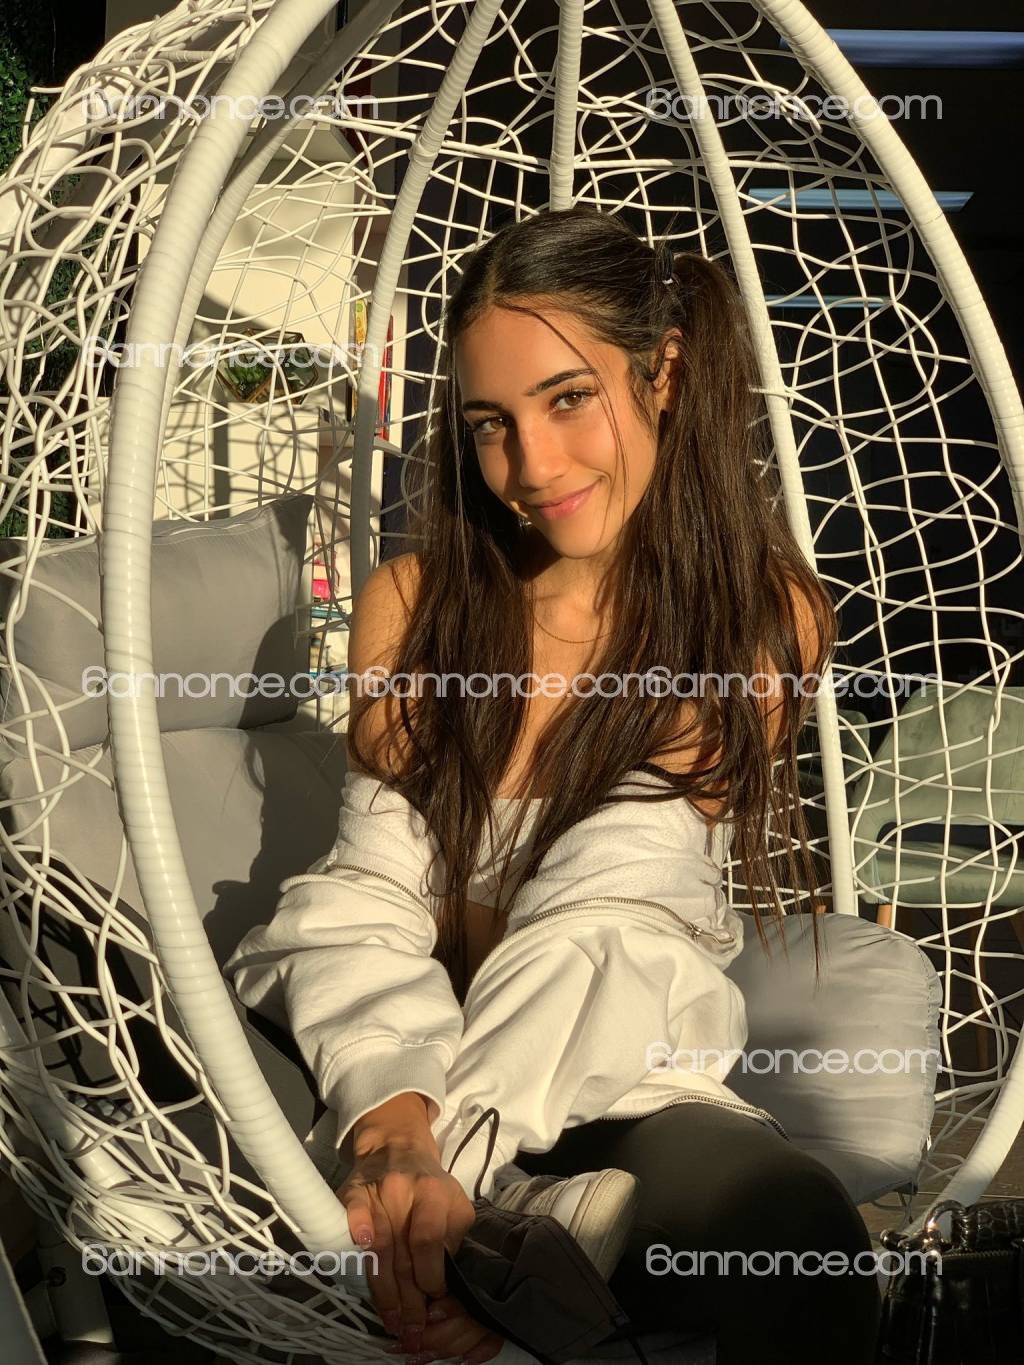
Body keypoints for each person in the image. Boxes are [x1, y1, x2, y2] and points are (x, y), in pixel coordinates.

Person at [227, 205, 881, 1365]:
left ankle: (509, 1246)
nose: (530, 468)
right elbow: (366, 896)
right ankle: (515, 1250)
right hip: (387, 1060)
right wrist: (395, 1122)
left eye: (568, 398)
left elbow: (598, 927)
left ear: (661, 374)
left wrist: (451, 1180)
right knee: (198, 1113)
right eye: (492, 424)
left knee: (792, 1240)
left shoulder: (758, 620)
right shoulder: (414, 607)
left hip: (605, 1076)